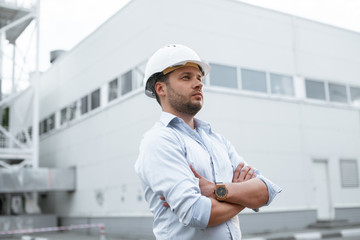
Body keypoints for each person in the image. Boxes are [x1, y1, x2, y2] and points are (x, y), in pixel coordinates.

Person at [135, 44, 281, 240]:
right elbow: (196, 212)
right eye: (186, 77)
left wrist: (216, 190)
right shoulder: (159, 141)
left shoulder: (218, 141)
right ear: (160, 88)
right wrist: (243, 197)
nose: (198, 84)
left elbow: (266, 191)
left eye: (199, 78)